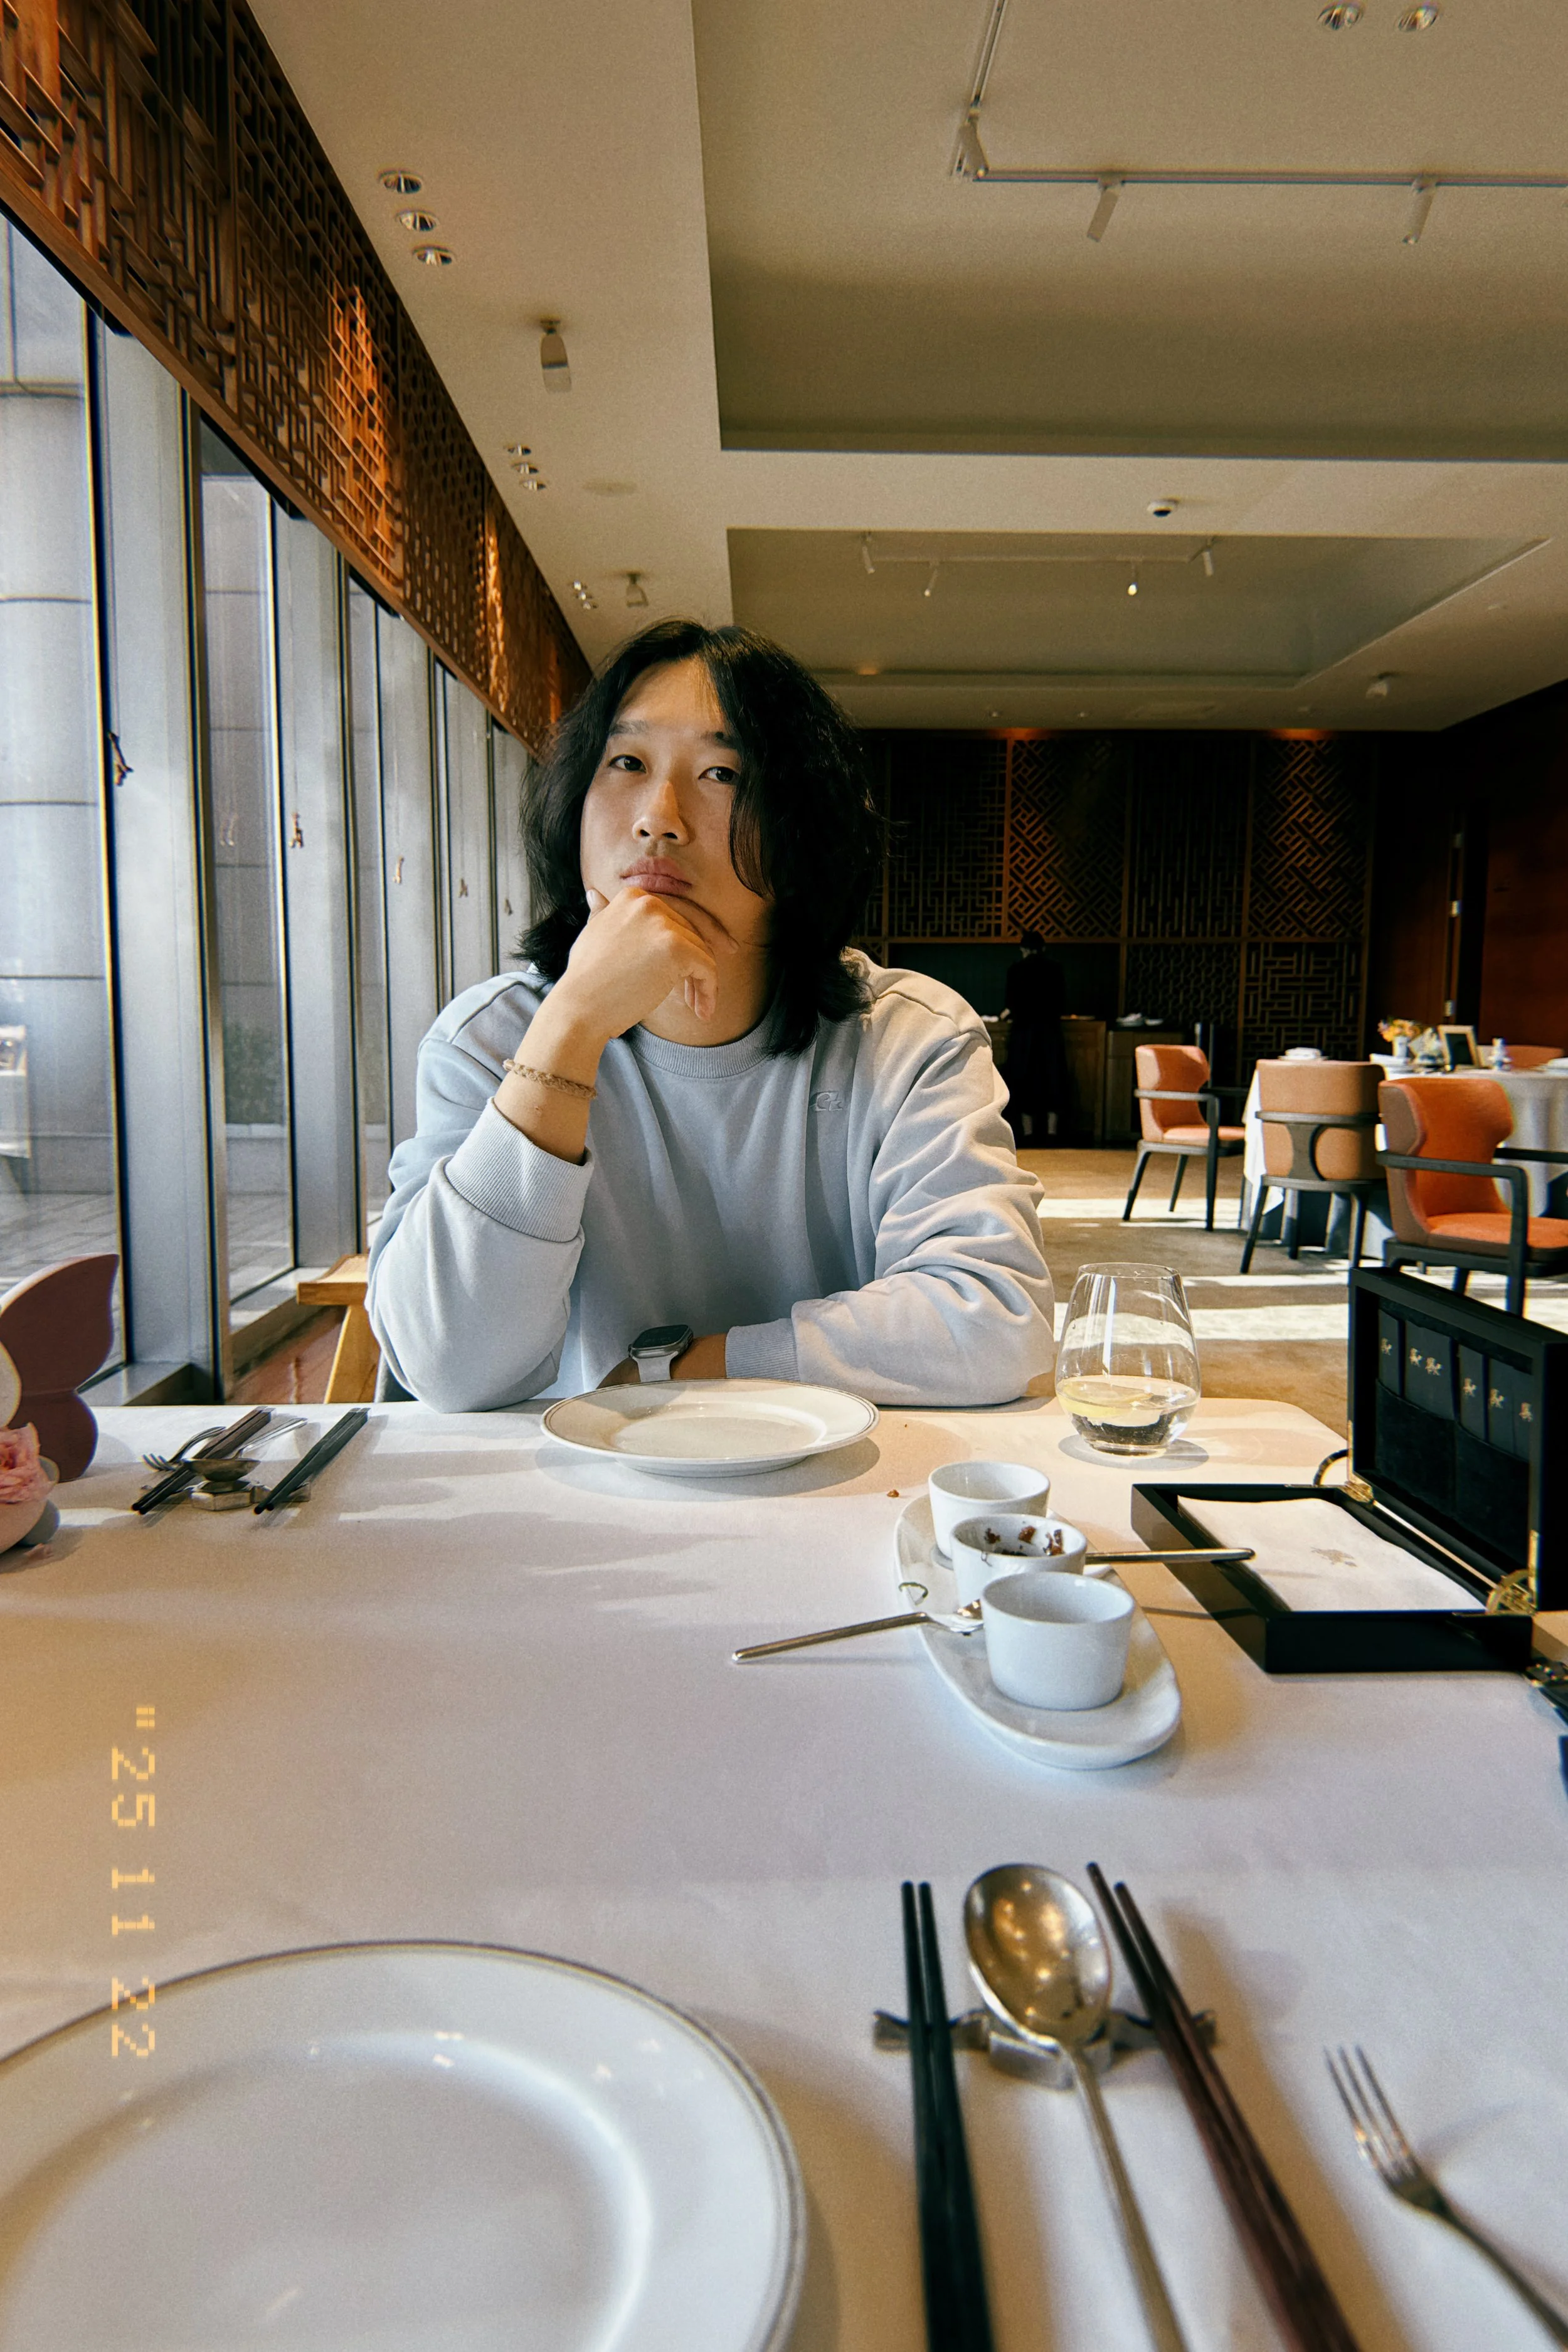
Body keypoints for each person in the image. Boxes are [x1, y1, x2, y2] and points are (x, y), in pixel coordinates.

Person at [367, 620, 1055, 1412]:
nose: (660, 817)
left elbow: (994, 1321)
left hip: (836, 1498)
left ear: (803, 829)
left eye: (722, 773)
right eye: (626, 762)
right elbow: (449, 1365)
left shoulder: (908, 1041)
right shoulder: (487, 1041)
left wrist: (689, 1369)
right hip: (579, 1503)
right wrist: (571, 1029)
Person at [1003, 931, 1069, 1145]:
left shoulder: (1016, 970)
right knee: (1053, 1080)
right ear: (1044, 949)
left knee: (1023, 1080)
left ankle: (1028, 1134)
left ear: (1023, 950)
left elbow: (1011, 1004)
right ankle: (1052, 1133)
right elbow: (1061, 1003)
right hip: (1050, 1034)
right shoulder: (1055, 969)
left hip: (1024, 1035)